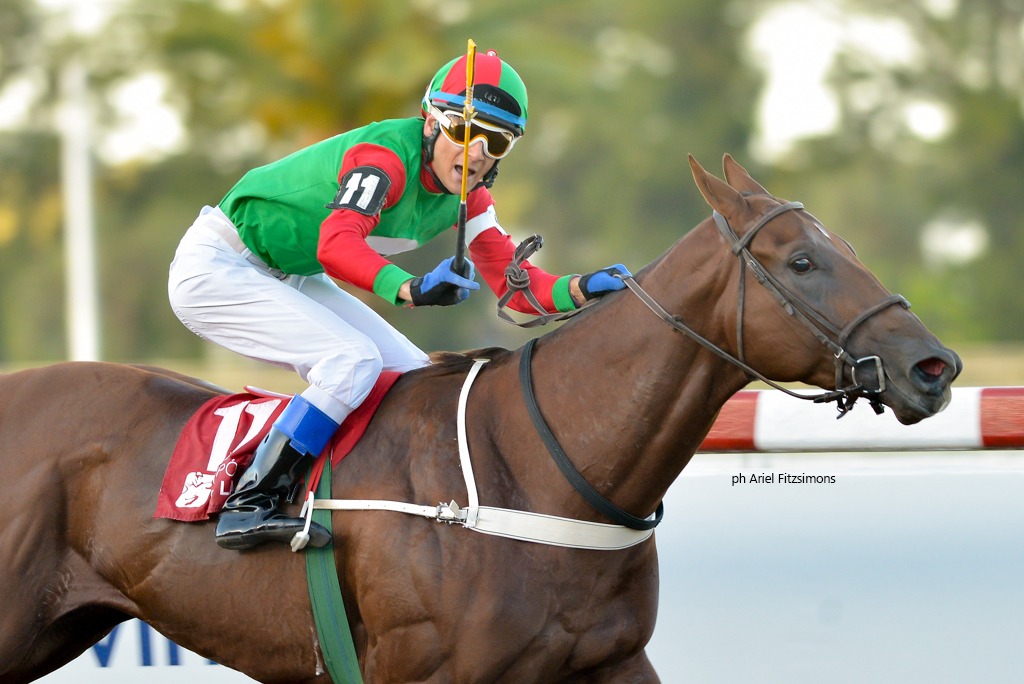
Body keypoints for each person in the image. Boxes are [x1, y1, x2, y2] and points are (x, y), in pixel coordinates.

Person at [167, 48, 630, 551]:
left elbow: (517, 292)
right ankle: (250, 503)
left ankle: (378, 501)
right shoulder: (383, 158)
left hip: (285, 273)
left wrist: (584, 288)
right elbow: (335, 244)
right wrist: (411, 288)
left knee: (416, 378)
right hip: (218, 267)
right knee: (353, 361)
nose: (478, 153)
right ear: (430, 122)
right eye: (464, 130)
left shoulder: (472, 197)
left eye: (496, 141)